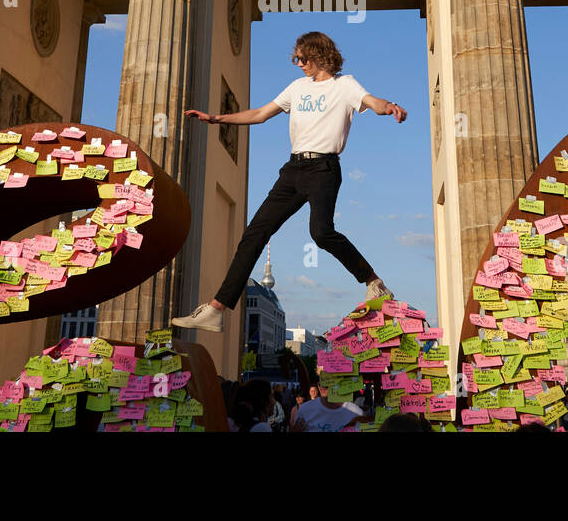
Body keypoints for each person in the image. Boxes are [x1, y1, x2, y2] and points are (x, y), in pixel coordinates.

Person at [172, 33, 405, 332]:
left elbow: (372, 101)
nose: (298, 64)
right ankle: (217, 308)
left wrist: (390, 107)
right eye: (296, 59)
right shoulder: (297, 88)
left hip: (323, 168)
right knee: (254, 234)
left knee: (321, 232)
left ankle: (374, 282)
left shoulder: (344, 85)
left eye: (302, 58)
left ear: (318, 55)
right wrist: (217, 118)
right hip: (293, 169)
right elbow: (260, 113)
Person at [290, 383, 364, 432]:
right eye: (321, 381)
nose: (323, 386)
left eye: (329, 379)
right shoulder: (304, 410)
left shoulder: (355, 412)